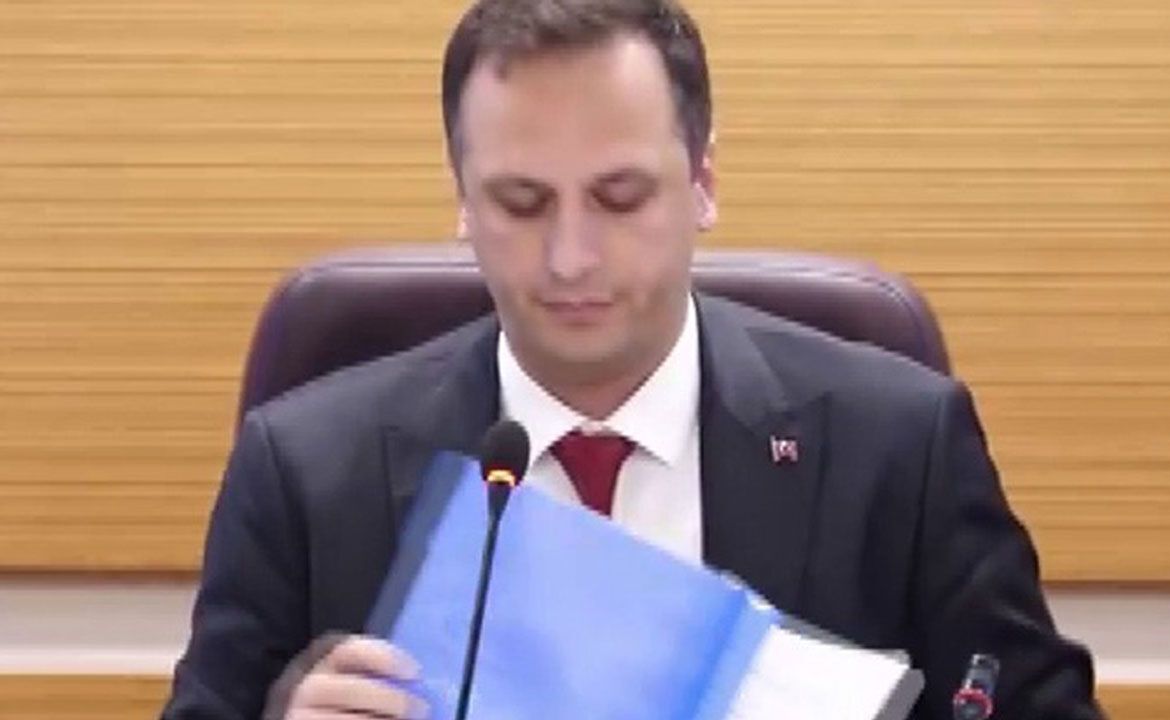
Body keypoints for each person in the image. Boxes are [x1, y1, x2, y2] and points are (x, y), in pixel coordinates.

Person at [162, 0, 1105, 718]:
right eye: (522, 203)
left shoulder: (901, 445)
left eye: (619, 198)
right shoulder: (304, 469)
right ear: (461, 201)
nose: (571, 258)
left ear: (703, 183)